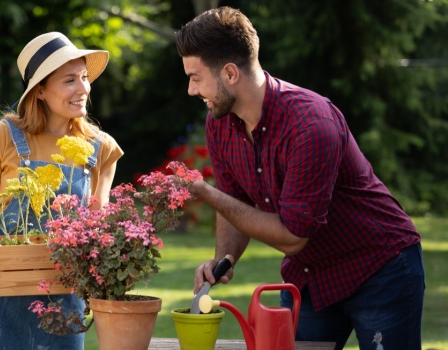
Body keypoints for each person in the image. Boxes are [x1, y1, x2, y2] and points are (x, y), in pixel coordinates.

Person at [175, 7, 424, 350]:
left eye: (196, 77)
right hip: (311, 278)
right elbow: (235, 200)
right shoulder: (219, 122)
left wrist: (203, 192)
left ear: (230, 73)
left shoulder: (310, 124)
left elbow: (293, 236)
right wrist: (223, 259)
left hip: (379, 268)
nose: (191, 89)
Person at [0, 32, 123, 349]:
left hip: (63, 297)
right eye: (69, 80)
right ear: (40, 91)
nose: (83, 89)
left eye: (85, 78)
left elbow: (97, 223)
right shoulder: (0, 137)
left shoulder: (100, 149)